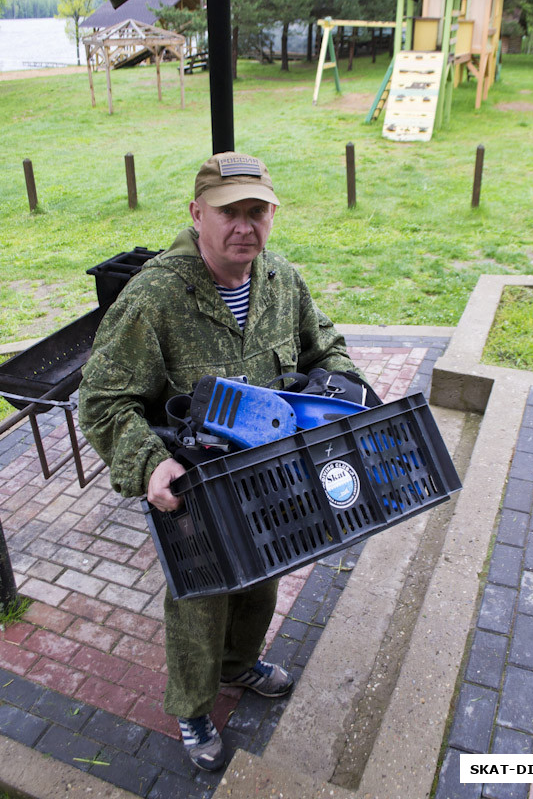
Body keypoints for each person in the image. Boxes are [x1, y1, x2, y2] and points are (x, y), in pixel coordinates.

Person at [78, 151, 365, 772]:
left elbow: (327, 347)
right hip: (196, 487)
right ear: (196, 214)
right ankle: (192, 706)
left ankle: (240, 666)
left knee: (263, 576)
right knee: (200, 599)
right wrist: (149, 463)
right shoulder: (154, 296)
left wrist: (343, 386)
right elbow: (102, 400)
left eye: (256, 211)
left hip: (272, 475)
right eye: (228, 212)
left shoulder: (281, 280)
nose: (244, 226)